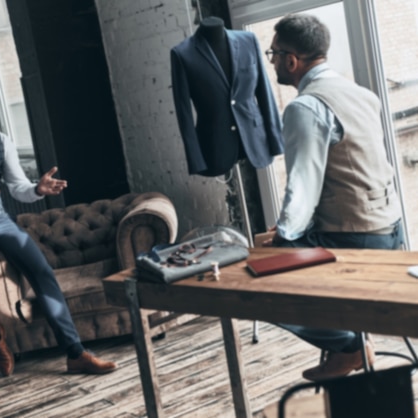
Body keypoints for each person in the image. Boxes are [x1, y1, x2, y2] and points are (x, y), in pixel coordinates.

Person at [0, 74, 117, 377]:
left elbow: (17, 188)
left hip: (0, 219)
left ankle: (75, 353)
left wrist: (37, 190)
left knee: (41, 272)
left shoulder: (0, 139)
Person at [263, 14, 403, 381]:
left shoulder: (305, 107)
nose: (273, 60)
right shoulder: (360, 93)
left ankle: (350, 347)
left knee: (258, 286)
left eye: (273, 53)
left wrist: (282, 238)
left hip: (353, 241)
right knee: (277, 250)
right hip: (391, 232)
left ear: (291, 60)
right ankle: (349, 345)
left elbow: (302, 187)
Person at [170, 16, 284, 177]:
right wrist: (196, 159)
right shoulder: (182, 54)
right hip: (215, 145)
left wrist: (276, 140)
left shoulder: (248, 40)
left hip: (255, 138)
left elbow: (264, 90)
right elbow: (184, 113)